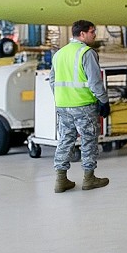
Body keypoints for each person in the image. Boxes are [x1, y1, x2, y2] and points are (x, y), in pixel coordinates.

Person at [50, 20, 110, 192]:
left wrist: (62, 97)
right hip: (83, 104)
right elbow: (94, 82)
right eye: (92, 31)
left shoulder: (59, 53)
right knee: (88, 140)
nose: (95, 35)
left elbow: (53, 80)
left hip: (63, 105)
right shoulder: (86, 52)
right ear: (82, 34)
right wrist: (104, 101)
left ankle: (61, 180)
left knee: (65, 139)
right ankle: (89, 178)